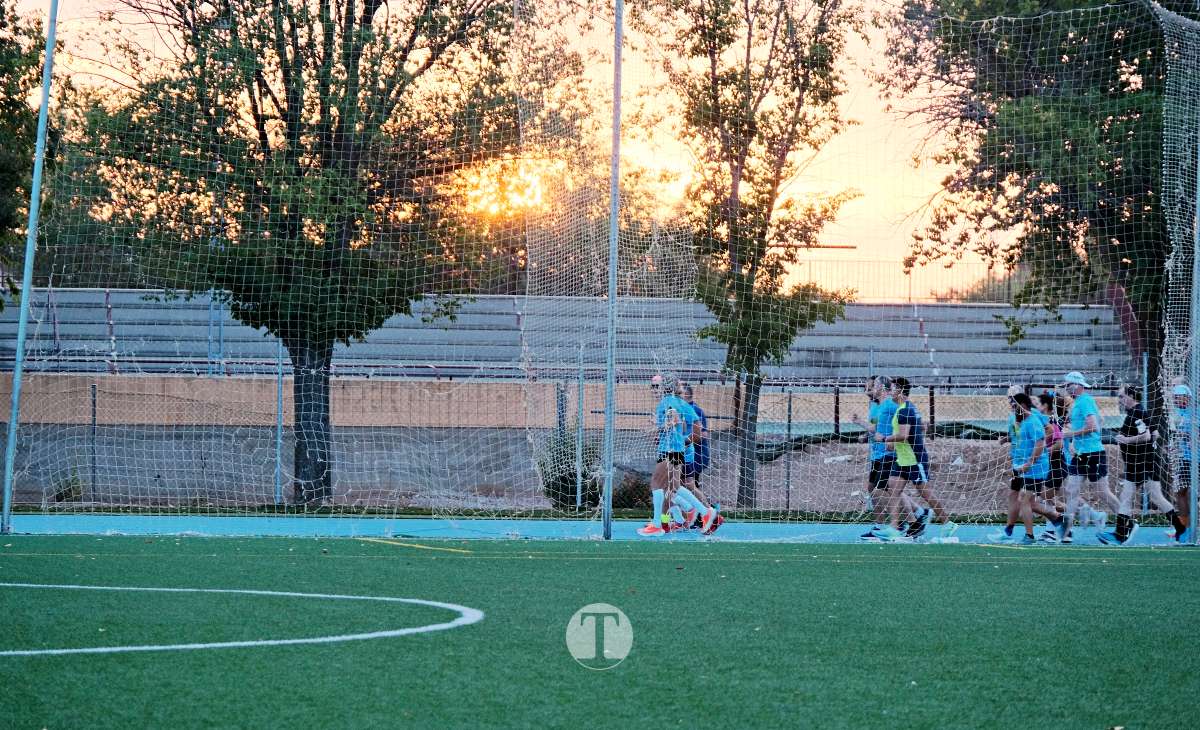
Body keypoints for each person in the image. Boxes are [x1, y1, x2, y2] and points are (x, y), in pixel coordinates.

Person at [873, 377, 956, 541]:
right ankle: (894, 528)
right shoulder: (904, 408)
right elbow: (919, 429)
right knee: (893, 490)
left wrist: (884, 439)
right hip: (902, 459)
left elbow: (903, 436)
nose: (891, 391)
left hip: (914, 459)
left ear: (901, 391)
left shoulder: (905, 410)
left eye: (894, 388)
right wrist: (895, 444)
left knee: (925, 493)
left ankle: (947, 523)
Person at [1098, 385, 1178, 545]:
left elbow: (1146, 435)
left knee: (1126, 496)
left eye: (1121, 396)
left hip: (1139, 461)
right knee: (1156, 496)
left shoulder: (1136, 412)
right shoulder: (1140, 411)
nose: (1120, 400)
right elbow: (1155, 434)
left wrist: (1127, 440)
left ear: (1131, 396)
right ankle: (1181, 527)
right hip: (1147, 460)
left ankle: (1121, 534)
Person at [638, 375, 716, 536]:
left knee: (657, 484)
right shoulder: (682, 403)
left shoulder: (667, 403)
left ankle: (658, 524)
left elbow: (674, 423)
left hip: (670, 450)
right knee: (673, 487)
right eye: (652, 386)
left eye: (655, 387)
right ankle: (700, 512)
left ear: (664, 388)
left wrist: (656, 427)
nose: (653, 390)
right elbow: (694, 425)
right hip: (676, 449)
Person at [990, 393, 1063, 543]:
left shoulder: (1033, 418)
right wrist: (1006, 439)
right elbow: (1019, 436)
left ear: (1022, 403)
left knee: (1026, 500)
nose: (1011, 406)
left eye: (1013, 403)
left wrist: (1033, 455)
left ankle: (1034, 533)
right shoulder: (1016, 417)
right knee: (1015, 495)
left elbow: (1046, 432)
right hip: (1019, 463)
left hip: (1033, 465)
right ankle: (1008, 531)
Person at [1058, 371, 1117, 541]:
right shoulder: (1077, 403)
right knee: (1071, 490)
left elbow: (1093, 426)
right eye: (1066, 386)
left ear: (1078, 385)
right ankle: (1067, 532)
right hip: (1081, 454)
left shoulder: (1085, 401)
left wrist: (1070, 435)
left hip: (1094, 453)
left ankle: (1125, 522)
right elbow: (1100, 421)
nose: (1067, 389)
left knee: (1102, 492)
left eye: (1069, 385)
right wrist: (1074, 442)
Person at [1170, 383, 1193, 542]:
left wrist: (1186, 437)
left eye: (1179, 398)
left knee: (1189, 493)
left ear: (1187, 397)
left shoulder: (1194, 412)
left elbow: (1192, 436)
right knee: (1180, 492)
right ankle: (1185, 528)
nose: (1176, 401)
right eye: (1175, 398)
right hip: (1186, 458)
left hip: (1195, 459)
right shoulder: (1181, 413)